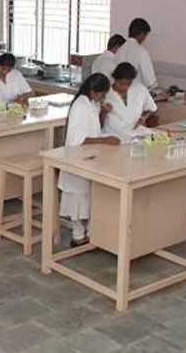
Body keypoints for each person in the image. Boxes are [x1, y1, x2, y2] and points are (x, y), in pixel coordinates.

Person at [58, 73, 120, 247]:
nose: (102, 98)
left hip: (90, 155)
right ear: (93, 91)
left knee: (88, 197)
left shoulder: (91, 103)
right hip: (77, 156)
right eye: (101, 94)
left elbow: (94, 127)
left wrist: (103, 113)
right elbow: (78, 139)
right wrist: (104, 140)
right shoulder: (80, 106)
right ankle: (78, 235)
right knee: (77, 198)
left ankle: (92, 233)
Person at [103, 62, 158, 142]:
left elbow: (151, 109)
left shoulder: (139, 89)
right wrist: (104, 111)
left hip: (135, 131)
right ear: (114, 79)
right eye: (121, 84)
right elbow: (96, 119)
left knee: (154, 139)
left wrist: (143, 118)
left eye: (128, 84)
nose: (125, 87)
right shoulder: (106, 93)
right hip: (113, 134)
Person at [116, 18, 157, 89]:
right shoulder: (141, 52)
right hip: (137, 93)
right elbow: (150, 81)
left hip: (121, 92)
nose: (145, 38)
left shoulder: (120, 50)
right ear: (142, 34)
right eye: (145, 35)